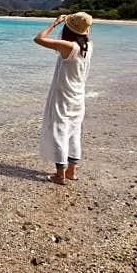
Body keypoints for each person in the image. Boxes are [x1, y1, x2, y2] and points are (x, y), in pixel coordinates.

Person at [33, 12, 93, 185]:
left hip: (63, 96)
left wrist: (55, 23)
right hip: (78, 96)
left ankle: (60, 175)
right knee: (74, 132)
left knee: (59, 131)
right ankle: (71, 172)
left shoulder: (69, 47)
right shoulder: (88, 46)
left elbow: (38, 38)